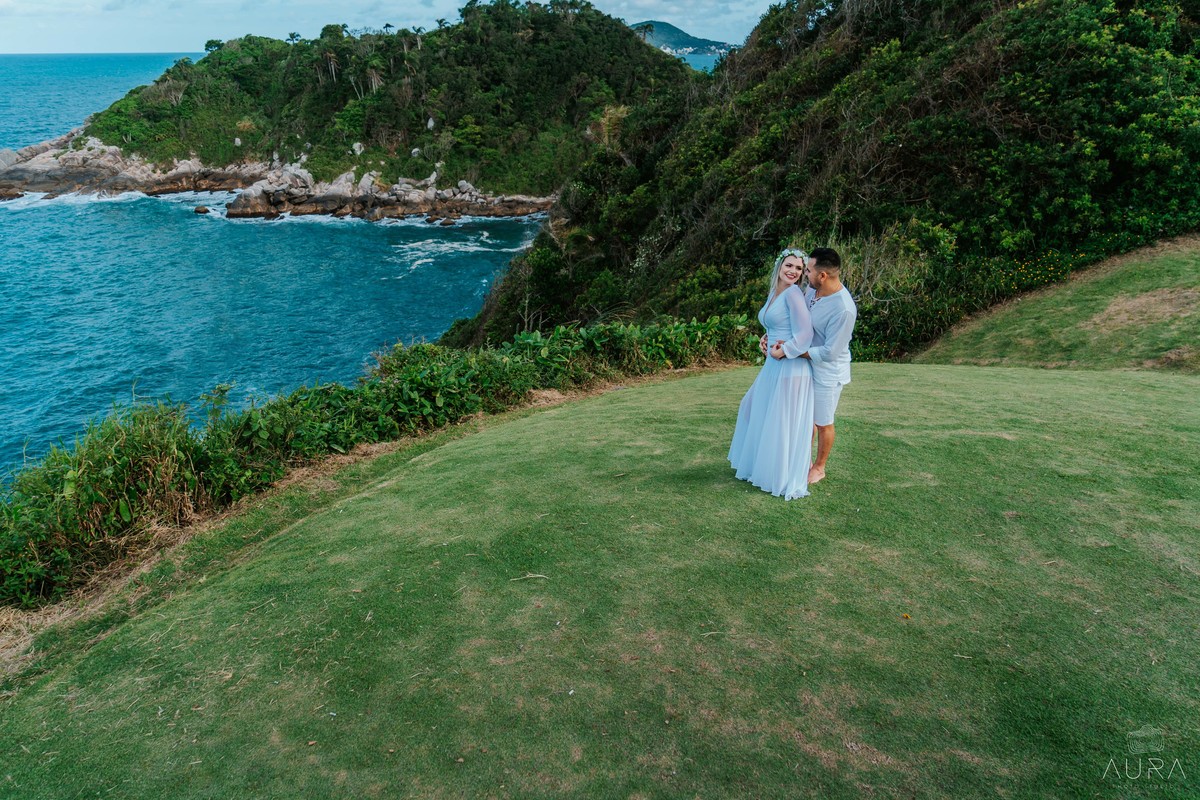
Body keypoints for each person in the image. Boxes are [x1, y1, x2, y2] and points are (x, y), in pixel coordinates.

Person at [728, 248, 816, 500]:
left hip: (790, 366)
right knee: (753, 409)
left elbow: (805, 334)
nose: (793, 271)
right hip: (772, 364)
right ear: (779, 266)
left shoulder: (794, 294)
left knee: (780, 420)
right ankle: (760, 466)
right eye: (789, 265)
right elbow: (777, 324)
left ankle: (781, 476)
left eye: (799, 268)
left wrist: (785, 350)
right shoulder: (775, 293)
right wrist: (765, 339)